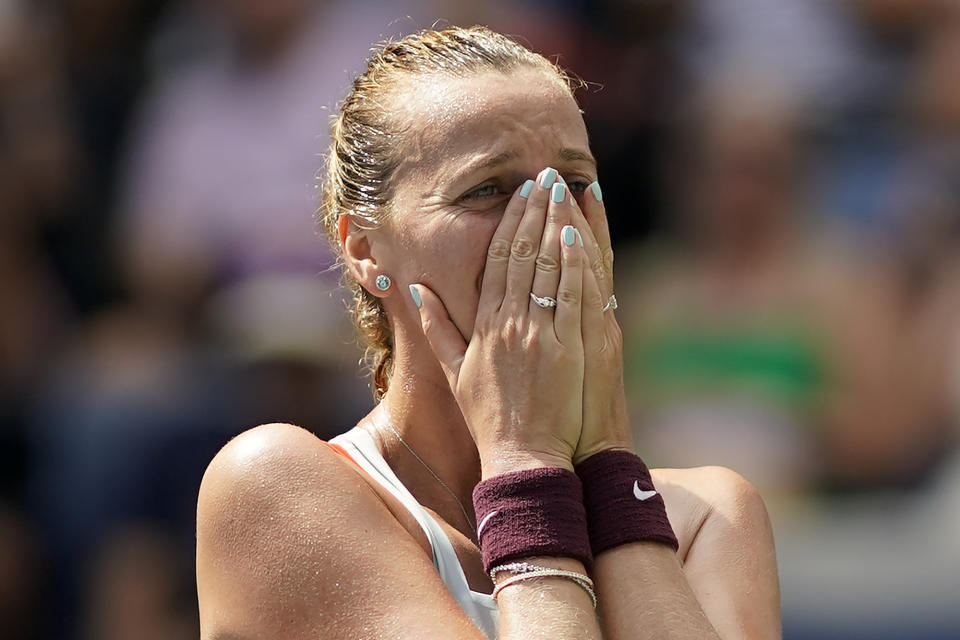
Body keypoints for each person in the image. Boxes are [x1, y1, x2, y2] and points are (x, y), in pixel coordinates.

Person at [196, 26, 781, 639]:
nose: (549, 222)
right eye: (488, 191)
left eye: (574, 185)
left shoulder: (711, 517)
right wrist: (525, 463)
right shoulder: (277, 488)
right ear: (365, 249)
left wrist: (608, 466)